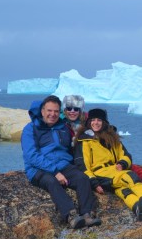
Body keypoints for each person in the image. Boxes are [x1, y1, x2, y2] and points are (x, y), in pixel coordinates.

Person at [21, 95, 101, 229]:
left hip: (63, 165)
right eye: (49, 111)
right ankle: (71, 216)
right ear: (42, 111)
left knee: (82, 178)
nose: (52, 114)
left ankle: (87, 214)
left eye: (56, 111)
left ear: (60, 112)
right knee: (51, 182)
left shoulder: (63, 127)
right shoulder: (31, 129)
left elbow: (72, 147)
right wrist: (55, 171)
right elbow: (31, 155)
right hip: (38, 169)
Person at [74, 108, 142, 221]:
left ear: (104, 122)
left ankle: (137, 207)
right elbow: (82, 165)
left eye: (99, 120)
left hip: (114, 171)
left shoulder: (111, 138)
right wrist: (94, 183)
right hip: (99, 174)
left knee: (123, 189)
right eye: (93, 120)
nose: (95, 123)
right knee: (130, 176)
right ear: (88, 122)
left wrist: (122, 163)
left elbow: (126, 155)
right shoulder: (84, 141)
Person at [61, 95, 142, 187]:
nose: (72, 111)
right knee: (116, 171)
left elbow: (101, 125)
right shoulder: (61, 124)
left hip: (96, 152)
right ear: (65, 110)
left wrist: (109, 133)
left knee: (126, 165)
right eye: (69, 108)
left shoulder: (89, 119)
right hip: (79, 157)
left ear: (81, 110)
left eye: (76, 108)